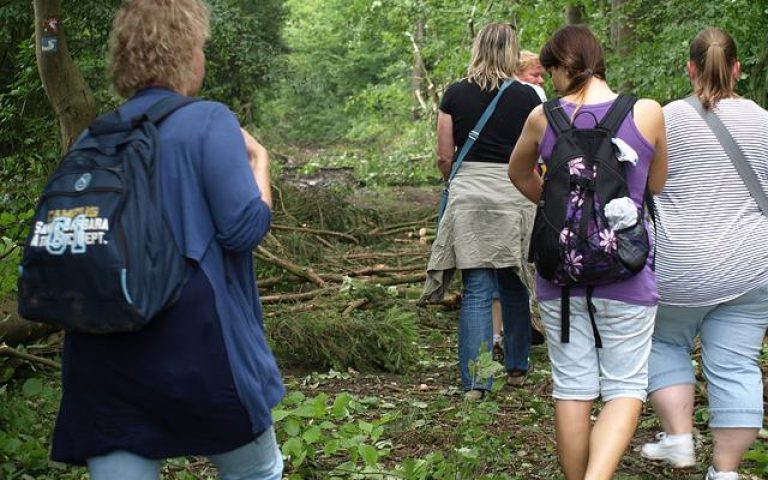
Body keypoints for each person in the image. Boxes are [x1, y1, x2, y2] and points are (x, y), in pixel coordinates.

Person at [48, 1, 284, 479]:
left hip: (103, 351)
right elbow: (243, 229)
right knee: (256, 471)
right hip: (198, 349)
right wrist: (259, 161)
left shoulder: (95, 136)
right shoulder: (209, 121)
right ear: (188, 57)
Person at [508, 25, 667, 480]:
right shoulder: (647, 112)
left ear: (561, 66)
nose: (550, 81)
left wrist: (564, 214)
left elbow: (518, 174)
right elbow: (655, 185)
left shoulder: (544, 117)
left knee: (573, 390)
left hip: (562, 274)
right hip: (628, 271)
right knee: (624, 388)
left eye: (551, 70)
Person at [640, 27, 768, 480]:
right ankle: (726, 471)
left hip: (679, 266)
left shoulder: (665, 118)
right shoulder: (763, 121)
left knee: (663, 342)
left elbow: (641, 184)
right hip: (750, 268)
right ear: (737, 69)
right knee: (736, 365)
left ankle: (678, 437)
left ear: (690, 68)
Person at [421, 22, 542, 400]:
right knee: (514, 281)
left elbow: (444, 154)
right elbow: (538, 152)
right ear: (511, 53)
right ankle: (518, 366)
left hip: (469, 195)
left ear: (476, 48)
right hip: (513, 193)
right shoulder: (528, 97)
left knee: (476, 288)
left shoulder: (455, 93)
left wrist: (456, 179)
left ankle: (477, 381)